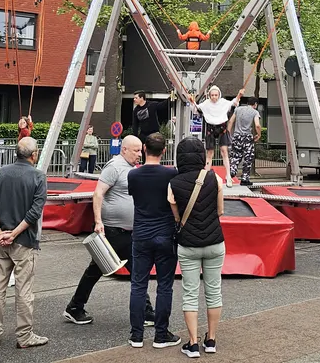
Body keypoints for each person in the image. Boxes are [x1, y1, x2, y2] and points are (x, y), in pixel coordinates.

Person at [64, 135, 154, 326]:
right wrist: (98, 222)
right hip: (114, 231)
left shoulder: (130, 168)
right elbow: (98, 194)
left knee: (95, 270)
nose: (140, 154)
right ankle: (145, 312)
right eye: (136, 150)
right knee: (137, 270)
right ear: (124, 150)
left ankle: (74, 307)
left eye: (141, 150)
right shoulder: (114, 167)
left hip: (124, 230)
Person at [0, 136, 49, 349]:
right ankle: (24, 335)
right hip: (24, 241)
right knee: (24, 290)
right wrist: (14, 233)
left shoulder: (0, 173)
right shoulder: (38, 177)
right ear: (34, 155)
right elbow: (34, 213)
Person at [168, 137, 225, 358]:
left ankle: (192, 344)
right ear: (202, 156)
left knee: (190, 294)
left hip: (188, 245)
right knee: (214, 292)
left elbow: (177, 217)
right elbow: (220, 211)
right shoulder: (214, 178)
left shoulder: (173, 183)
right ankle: (210, 340)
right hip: (214, 243)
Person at [127, 133, 181, 349]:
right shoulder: (172, 174)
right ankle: (161, 334)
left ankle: (136, 335)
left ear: (144, 150)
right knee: (164, 286)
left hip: (141, 233)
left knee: (138, 285)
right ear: (164, 152)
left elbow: (135, 198)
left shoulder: (133, 175)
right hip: (165, 233)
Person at [194, 86, 243, 176]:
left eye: (216, 95)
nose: (214, 97)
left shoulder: (223, 102)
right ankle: (206, 175)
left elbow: (234, 103)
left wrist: (239, 95)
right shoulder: (206, 103)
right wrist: (191, 101)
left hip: (221, 128)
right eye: (212, 95)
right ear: (209, 95)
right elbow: (197, 108)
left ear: (219, 95)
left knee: (224, 151)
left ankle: (228, 174)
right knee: (209, 153)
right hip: (210, 128)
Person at [226, 98, 261, 188]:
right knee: (248, 158)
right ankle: (245, 179)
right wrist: (259, 134)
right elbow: (257, 125)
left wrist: (229, 134)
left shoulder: (237, 109)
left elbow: (230, 121)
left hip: (237, 136)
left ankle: (232, 171)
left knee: (235, 156)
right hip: (247, 137)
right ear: (255, 104)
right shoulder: (254, 112)